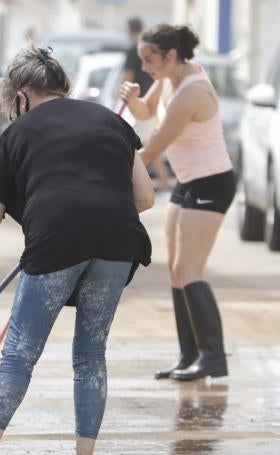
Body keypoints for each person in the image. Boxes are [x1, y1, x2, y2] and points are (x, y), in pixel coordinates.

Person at [0, 45, 154, 455]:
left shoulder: (17, 133)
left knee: (19, 354)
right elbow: (145, 199)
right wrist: (95, 210)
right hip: (118, 239)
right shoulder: (111, 121)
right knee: (90, 354)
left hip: (57, 238)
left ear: (21, 95)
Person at [119, 24, 234, 382]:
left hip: (211, 182)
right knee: (176, 271)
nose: (145, 66)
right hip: (188, 181)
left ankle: (213, 358)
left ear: (170, 55)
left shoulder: (191, 91)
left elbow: (154, 146)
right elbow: (144, 112)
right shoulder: (170, 77)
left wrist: (112, 168)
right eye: (142, 60)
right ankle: (189, 356)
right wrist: (134, 97)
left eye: (149, 60)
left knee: (190, 270)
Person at [123, 17, 172, 190]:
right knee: (147, 142)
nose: (145, 67)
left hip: (138, 101)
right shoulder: (148, 50)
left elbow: (128, 77)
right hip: (143, 101)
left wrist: (123, 94)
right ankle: (163, 179)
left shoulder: (133, 50)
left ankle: (160, 180)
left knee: (140, 144)